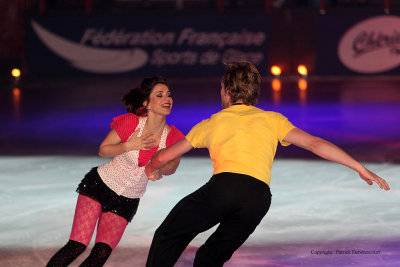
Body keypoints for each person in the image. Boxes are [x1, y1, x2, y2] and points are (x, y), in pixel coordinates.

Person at [144, 61, 390, 267]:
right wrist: (359, 167)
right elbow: (315, 144)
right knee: (210, 257)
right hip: (258, 199)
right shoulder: (273, 120)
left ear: (228, 91)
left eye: (221, 88)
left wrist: (151, 166)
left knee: (168, 235)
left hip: (224, 188)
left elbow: (164, 157)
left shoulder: (213, 122)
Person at [46, 76, 185, 267]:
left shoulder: (173, 136)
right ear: (147, 104)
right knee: (77, 245)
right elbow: (103, 150)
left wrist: (160, 168)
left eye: (169, 95)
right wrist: (130, 145)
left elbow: (172, 166)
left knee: (101, 253)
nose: (167, 99)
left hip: (127, 199)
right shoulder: (131, 123)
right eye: (159, 95)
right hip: (100, 185)